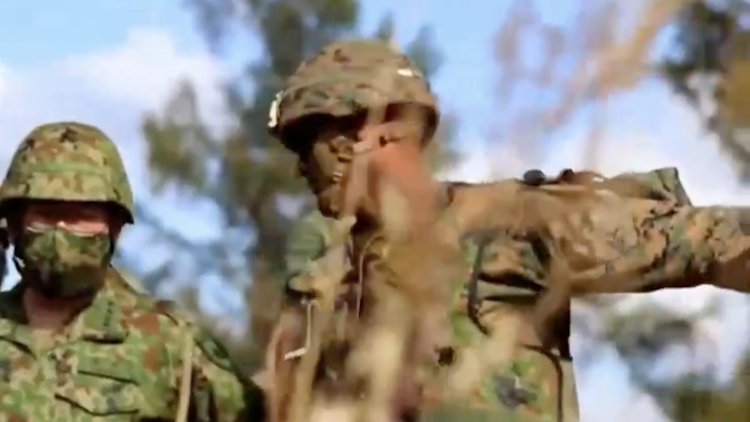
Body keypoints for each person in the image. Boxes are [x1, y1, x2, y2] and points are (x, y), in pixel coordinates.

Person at [264, 38, 750, 422]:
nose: (302, 168)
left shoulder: (509, 222)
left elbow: (708, 241)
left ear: (369, 131)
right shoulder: (320, 287)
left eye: (308, 144)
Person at [0, 121, 262, 421]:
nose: (61, 231)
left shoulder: (169, 341)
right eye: (46, 215)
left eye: (81, 216)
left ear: (114, 227)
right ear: (16, 224)